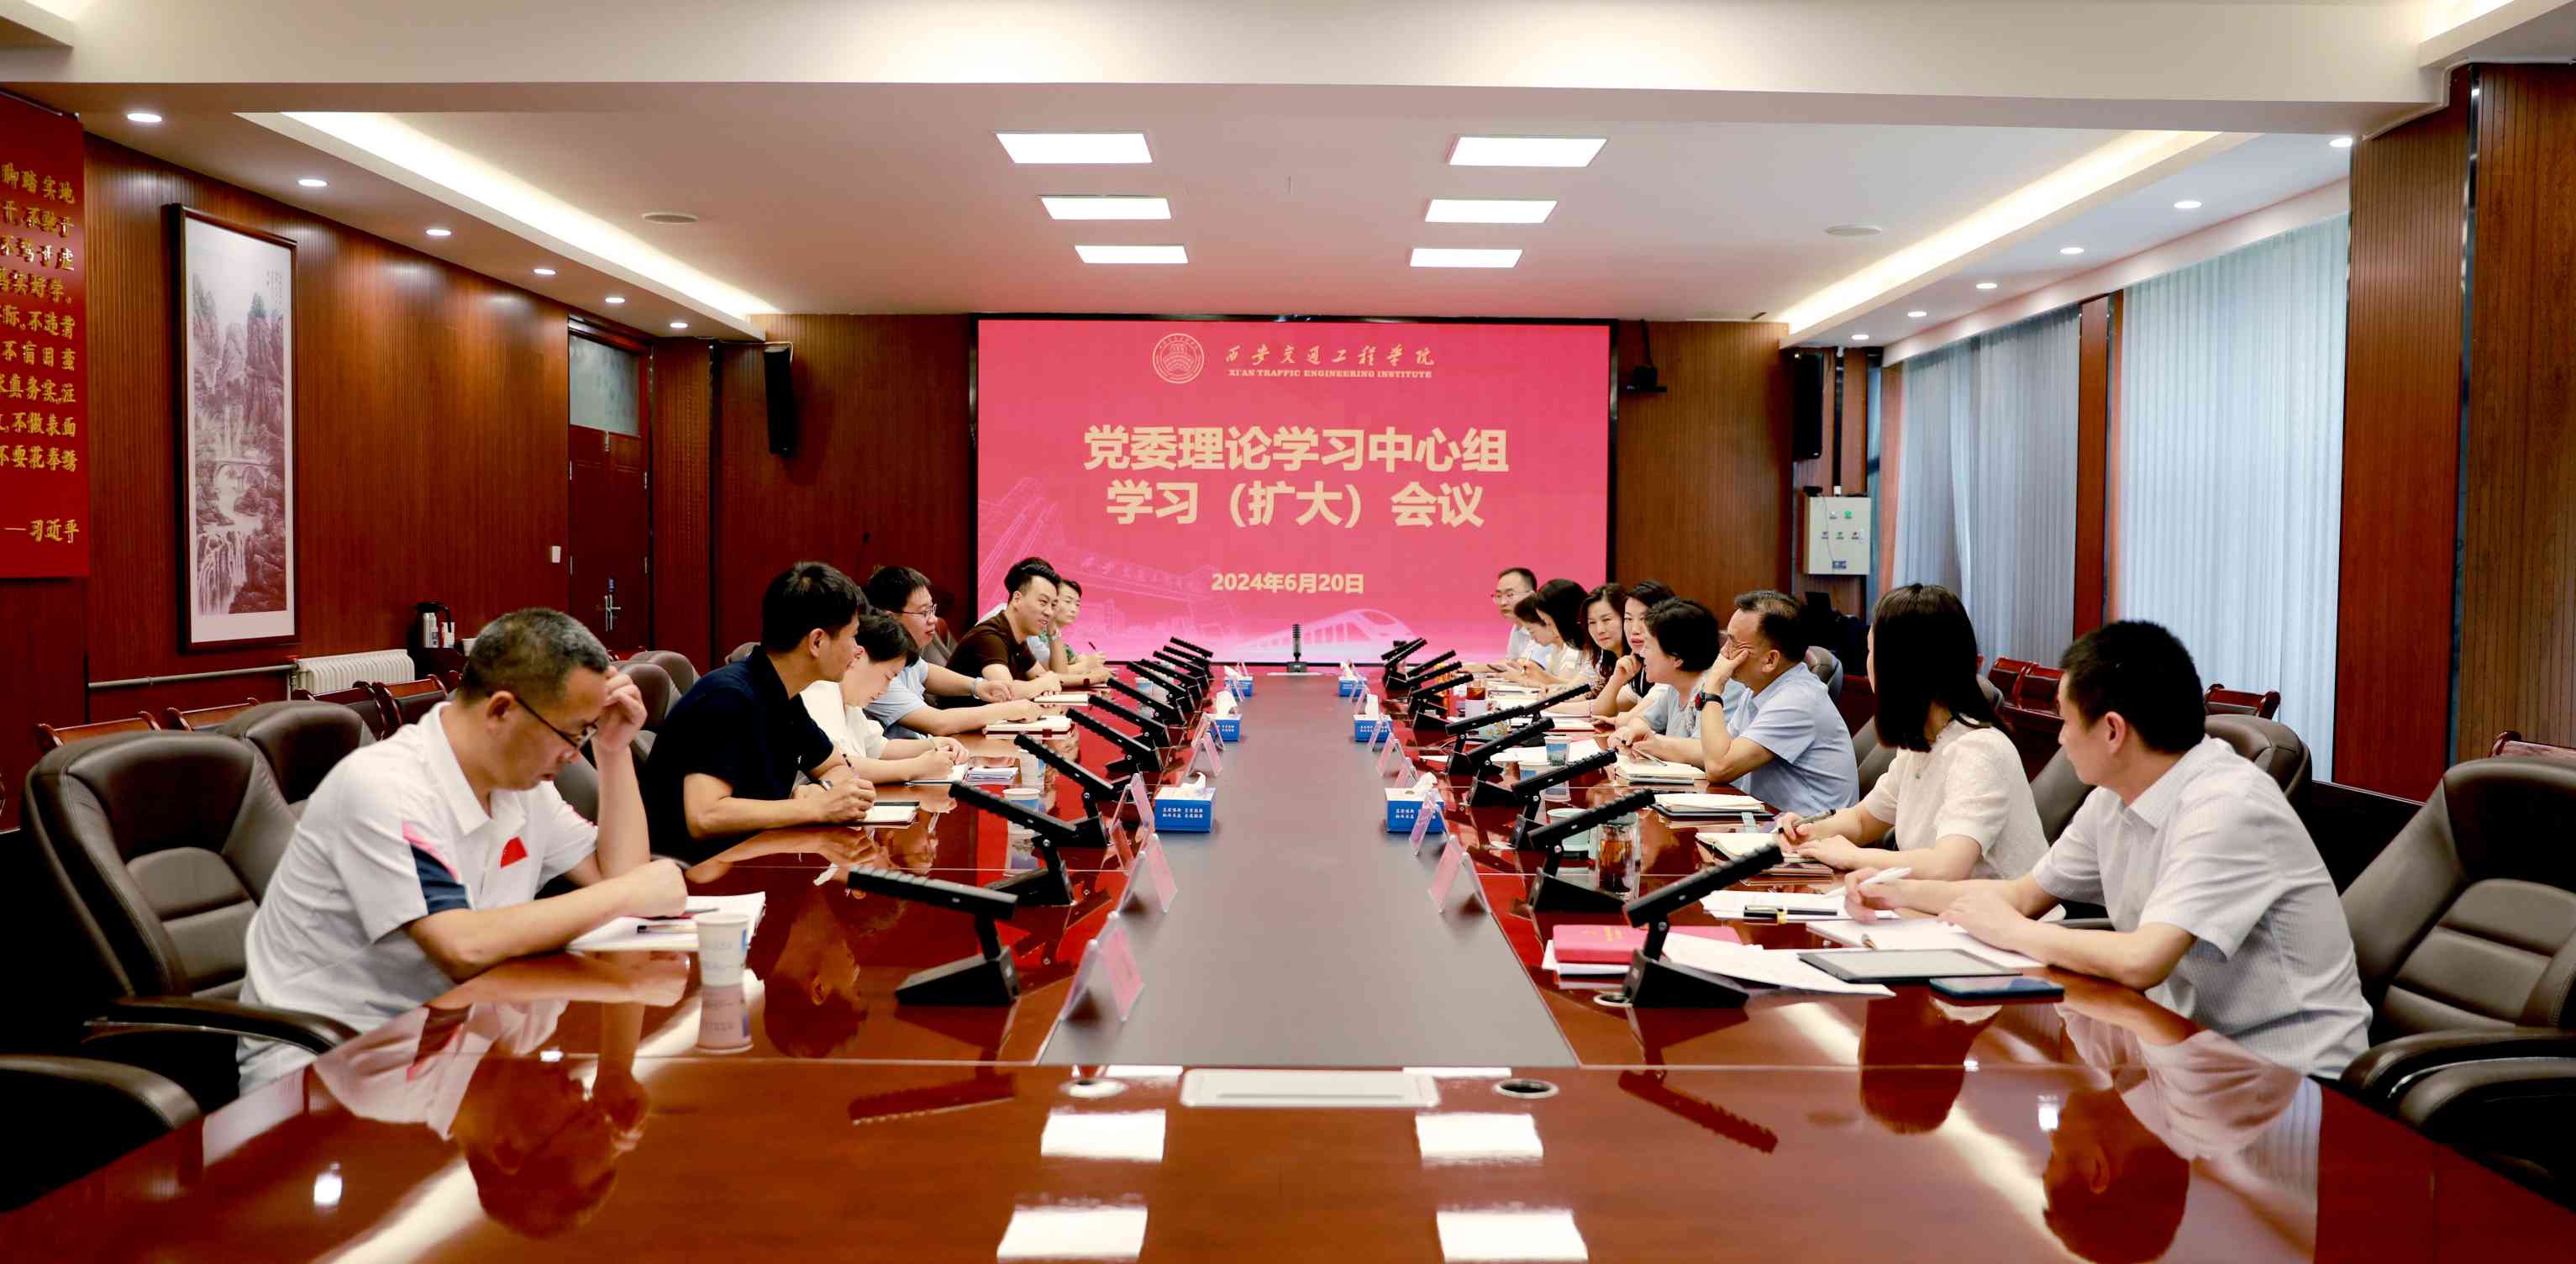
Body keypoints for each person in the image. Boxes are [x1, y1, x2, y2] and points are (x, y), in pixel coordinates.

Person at [1845, 620, 2369, 1078]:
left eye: (2067, 722)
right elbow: (2023, 896)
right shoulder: (2114, 799)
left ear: (2113, 731)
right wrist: (1893, 892)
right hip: (2184, 1053)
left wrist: (2015, 932)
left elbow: (2142, 961)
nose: (2060, 740)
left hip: (2290, 1082)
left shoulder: (2227, 805)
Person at [237, 608, 684, 1092]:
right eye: (571, 734)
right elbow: (461, 946)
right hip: (329, 1071)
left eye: (585, 735)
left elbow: (623, 881)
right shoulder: (387, 785)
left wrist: (613, 751)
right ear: (500, 711)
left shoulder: (522, 785)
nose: (574, 754)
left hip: (452, 1041)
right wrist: (627, 895)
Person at [1774, 584, 2044, 882]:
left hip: (1993, 910)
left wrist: (1854, 856)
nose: (1867, 662)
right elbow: (1863, 821)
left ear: (1900, 665)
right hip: (1936, 905)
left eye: (1871, 651)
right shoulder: (1921, 742)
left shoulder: (1979, 751)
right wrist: (1810, 830)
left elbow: (1947, 866)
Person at [641, 561, 875, 864]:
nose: (857, 649)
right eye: (853, 636)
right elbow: (705, 816)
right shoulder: (726, 698)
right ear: (817, 641)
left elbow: (834, 765)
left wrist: (822, 791)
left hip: (757, 853)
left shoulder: (784, 692)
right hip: (701, 871)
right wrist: (813, 808)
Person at [1690, 588, 1859, 818]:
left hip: (1810, 834)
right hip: (1771, 824)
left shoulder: (1797, 701)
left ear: (1770, 660)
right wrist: (1654, 744)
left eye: (1733, 644)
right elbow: (1714, 750)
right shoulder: (1759, 688)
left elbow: (1718, 767)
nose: (1724, 652)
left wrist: (1713, 686)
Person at [861, 564, 1050, 738]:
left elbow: (926, 672)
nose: (933, 619)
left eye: (932, 609)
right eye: (924, 612)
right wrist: (1008, 710)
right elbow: (938, 723)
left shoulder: (903, 655)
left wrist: (977, 687)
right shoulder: (875, 669)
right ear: (891, 618)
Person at [797, 611, 971, 783]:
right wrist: (915, 768)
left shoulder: (850, 702)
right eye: (888, 677)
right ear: (859, 656)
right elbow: (836, 765)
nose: (885, 690)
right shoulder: (819, 691)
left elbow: (880, 748)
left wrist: (934, 744)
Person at [1606, 597, 1723, 765]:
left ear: (1677, 658)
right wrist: (1633, 733)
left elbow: (1706, 751)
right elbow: (1642, 720)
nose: (1642, 653)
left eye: (1648, 646)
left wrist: (1653, 743)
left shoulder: (1714, 689)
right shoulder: (1674, 688)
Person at [947, 559, 1067, 696]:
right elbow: (1007, 693)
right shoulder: (990, 636)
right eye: (1043, 602)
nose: (1049, 612)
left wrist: (1047, 682)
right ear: (1017, 599)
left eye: (1053, 605)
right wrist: (1045, 683)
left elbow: (1041, 677)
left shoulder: (1017, 638)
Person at [1590, 579, 1675, 719]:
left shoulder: (1671, 665)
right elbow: (1599, 712)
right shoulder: (1639, 664)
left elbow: (1629, 720)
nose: (1634, 630)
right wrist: (1617, 679)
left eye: (1644, 618)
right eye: (1628, 619)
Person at [1499, 577, 1590, 687]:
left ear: (1563, 617)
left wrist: (1537, 676)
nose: (1550, 629)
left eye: (1548, 623)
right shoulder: (1570, 645)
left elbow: (1576, 689)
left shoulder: (1584, 648)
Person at [1466, 566, 1548, 672]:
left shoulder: (1544, 624)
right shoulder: (1517, 626)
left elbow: (1523, 667)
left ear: (1531, 596)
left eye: (1510, 595)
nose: (1503, 602)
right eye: (1499, 596)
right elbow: (1510, 662)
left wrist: (1473, 668)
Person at [1036, 577, 1112, 687]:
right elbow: (1051, 674)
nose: (1074, 609)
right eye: (1068, 601)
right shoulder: (1036, 634)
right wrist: (1087, 665)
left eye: (1077, 604)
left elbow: (1067, 665)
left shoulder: (1059, 640)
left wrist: (1082, 661)